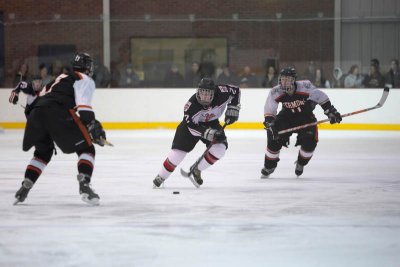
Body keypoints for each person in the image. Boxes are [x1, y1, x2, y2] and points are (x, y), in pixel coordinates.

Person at [9, 52, 106, 206]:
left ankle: (26, 185)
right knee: (87, 149)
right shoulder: (84, 79)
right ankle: (85, 185)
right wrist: (92, 124)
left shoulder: (60, 78)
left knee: (43, 153)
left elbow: (35, 102)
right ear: (86, 66)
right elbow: (83, 106)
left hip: (37, 114)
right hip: (58, 111)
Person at [153, 78, 241, 188]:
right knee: (178, 154)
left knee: (220, 150)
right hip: (191, 127)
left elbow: (236, 91)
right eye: (202, 92)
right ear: (198, 91)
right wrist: (209, 133)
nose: (204, 97)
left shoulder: (222, 92)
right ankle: (161, 176)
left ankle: (197, 169)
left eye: (208, 94)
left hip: (212, 123)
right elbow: (191, 127)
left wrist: (233, 107)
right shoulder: (191, 106)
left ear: (214, 92)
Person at [261, 67, 342, 178]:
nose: (284, 82)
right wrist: (270, 124)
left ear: (294, 80)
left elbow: (320, 96)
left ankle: (301, 163)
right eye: (282, 79)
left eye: (287, 79)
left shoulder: (305, 86)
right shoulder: (276, 91)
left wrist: (330, 112)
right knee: (273, 137)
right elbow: (269, 110)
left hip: (306, 117)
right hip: (286, 117)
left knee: (310, 143)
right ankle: (269, 166)